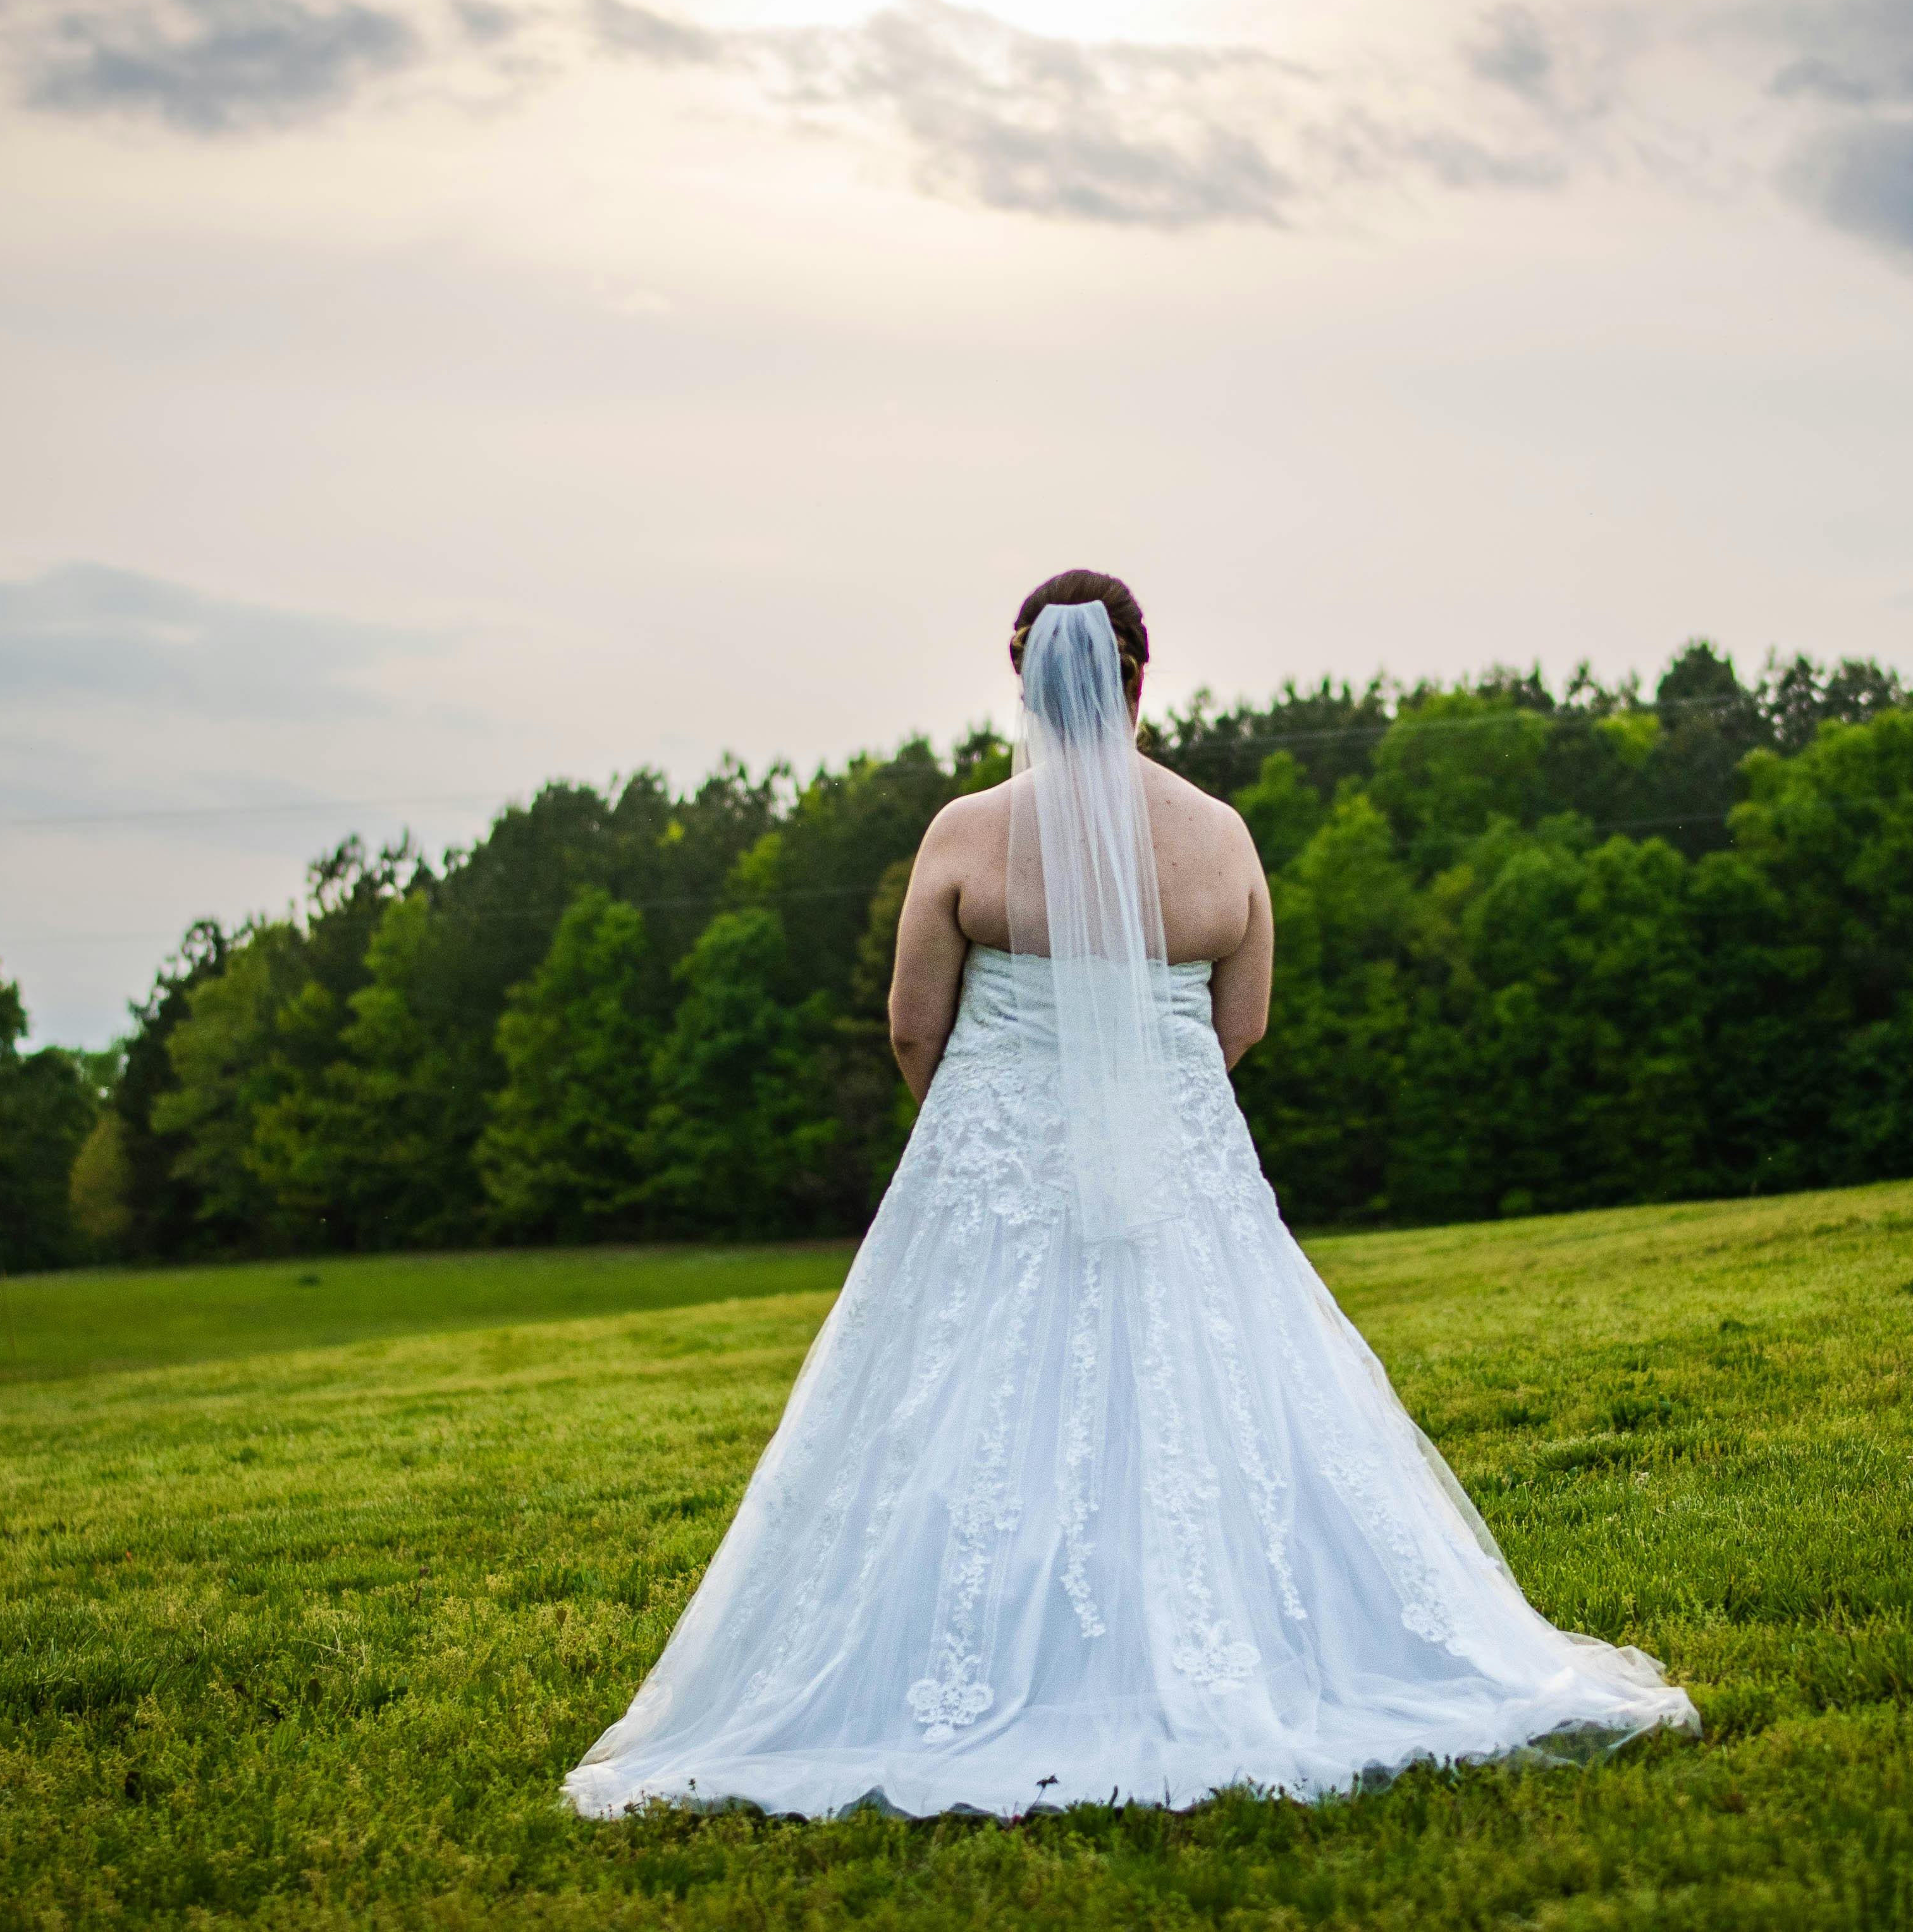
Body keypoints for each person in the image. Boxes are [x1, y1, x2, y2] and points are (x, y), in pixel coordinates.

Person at [564, 570, 1695, 1819]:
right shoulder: (1221, 836)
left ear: (1024, 682)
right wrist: (1145, 1106)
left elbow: (911, 1023)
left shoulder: (966, 834)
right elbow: (1244, 1020)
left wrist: (989, 1130)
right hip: (1177, 1166)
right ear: (1141, 676)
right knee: (1213, 1391)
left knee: (966, 1407)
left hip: (994, 1170)